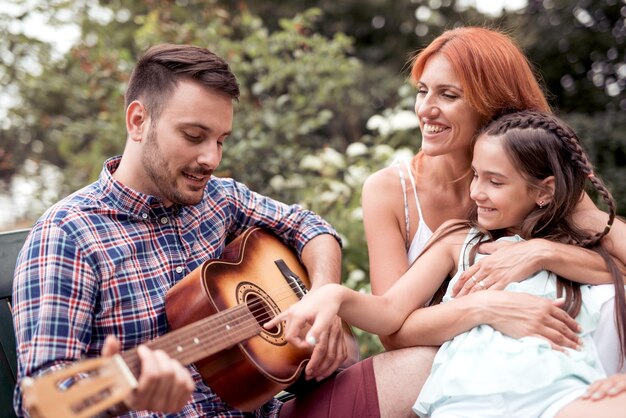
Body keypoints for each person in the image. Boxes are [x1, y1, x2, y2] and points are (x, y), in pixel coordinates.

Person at [11, 44, 434, 418]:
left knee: (430, 368)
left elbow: (312, 227)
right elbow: (42, 399)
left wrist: (321, 301)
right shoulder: (68, 235)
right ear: (138, 121)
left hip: (271, 411)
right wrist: (123, 397)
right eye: (194, 136)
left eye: (221, 140)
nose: (211, 158)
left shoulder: (220, 198)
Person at [267, 109, 626, 418]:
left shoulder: (573, 251)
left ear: (544, 191)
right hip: (468, 403)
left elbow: (614, 272)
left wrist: (545, 252)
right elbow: (391, 311)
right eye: (476, 175)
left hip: (559, 396)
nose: (475, 193)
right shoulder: (459, 241)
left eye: (495, 182)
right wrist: (336, 296)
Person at [361, 27, 626, 372]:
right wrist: (488, 307)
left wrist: (543, 252)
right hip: (439, 376)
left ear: (493, 103)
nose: (426, 109)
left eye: (448, 95)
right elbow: (392, 332)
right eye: (423, 91)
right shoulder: (389, 190)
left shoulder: (532, 178)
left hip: (538, 366)